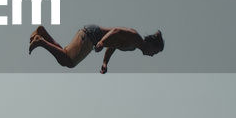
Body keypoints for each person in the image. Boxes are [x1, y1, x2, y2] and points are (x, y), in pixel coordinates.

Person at [29, 24, 164, 74]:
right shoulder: (135, 37)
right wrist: (101, 42)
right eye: (155, 52)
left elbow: (114, 46)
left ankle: (42, 33)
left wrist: (105, 62)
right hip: (91, 35)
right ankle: (40, 41)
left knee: (65, 54)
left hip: (91, 34)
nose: (152, 55)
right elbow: (116, 31)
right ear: (152, 45)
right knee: (69, 62)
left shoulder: (134, 46)